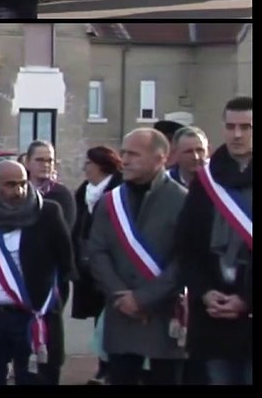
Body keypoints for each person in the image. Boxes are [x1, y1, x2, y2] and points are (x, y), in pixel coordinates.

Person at [88, 129, 188, 385]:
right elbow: (96, 252)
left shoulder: (183, 200)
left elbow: (185, 260)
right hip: (121, 314)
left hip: (164, 315)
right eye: (123, 153)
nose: (125, 160)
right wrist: (121, 296)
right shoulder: (111, 201)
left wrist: (144, 299)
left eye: (133, 154)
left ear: (160, 157)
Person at [0, 159, 74, 385]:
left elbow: (65, 264)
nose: (19, 190)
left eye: (23, 183)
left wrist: (51, 306)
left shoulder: (48, 213)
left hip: (33, 317)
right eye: (10, 185)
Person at [175, 96, 253, 386]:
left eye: (246, 127)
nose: (237, 134)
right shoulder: (206, 181)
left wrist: (245, 300)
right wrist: (204, 291)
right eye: (231, 126)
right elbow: (187, 245)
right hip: (213, 313)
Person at [70, 146, 123, 384]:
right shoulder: (84, 191)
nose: (85, 168)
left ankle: (113, 367)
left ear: (102, 165)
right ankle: (103, 366)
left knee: (111, 317)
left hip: (112, 265)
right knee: (97, 316)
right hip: (88, 266)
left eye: (89, 163)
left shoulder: (119, 189)